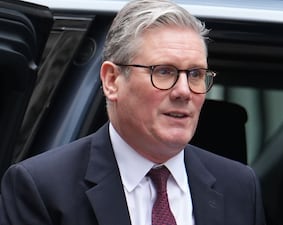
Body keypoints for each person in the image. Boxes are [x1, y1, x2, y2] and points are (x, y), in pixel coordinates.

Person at [0, 0, 266, 224]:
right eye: (164, 72)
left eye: (195, 74)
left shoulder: (239, 186)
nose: (184, 91)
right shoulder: (42, 187)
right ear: (112, 81)